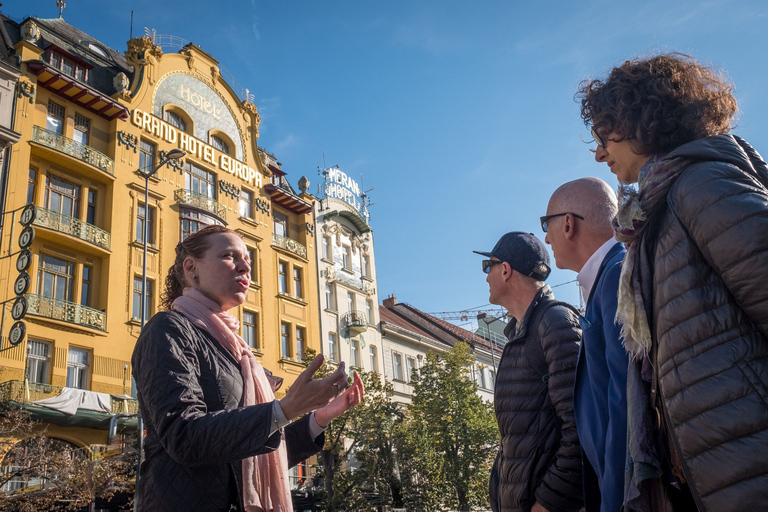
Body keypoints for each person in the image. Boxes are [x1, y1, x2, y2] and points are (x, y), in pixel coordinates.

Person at [578, 53, 768, 511]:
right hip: (718, 474)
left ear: (644, 124)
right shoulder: (656, 214)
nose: (599, 152)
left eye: (605, 137)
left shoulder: (701, 185)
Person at [132, 225, 364, 511]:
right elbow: (183, 436)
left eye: (248, 261)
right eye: (230, 256)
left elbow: (254, 458)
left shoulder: (237, 351)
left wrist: (319, 417)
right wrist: (284, 410)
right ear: (192, 267)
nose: (244, 267)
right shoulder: (168, 329)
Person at [474, 232, 582, 512]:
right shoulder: (522, 333)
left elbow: (580, 429)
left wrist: (547, 503)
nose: (486, 276)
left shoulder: (555, 323)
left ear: (506, 270)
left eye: (489, 267)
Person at [542, 178, 627, 512]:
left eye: (545, 225)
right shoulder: (608, 276)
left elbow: (624, 407)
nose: (545, 238)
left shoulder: (616, 276)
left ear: (567, 223)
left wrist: (614, 501)